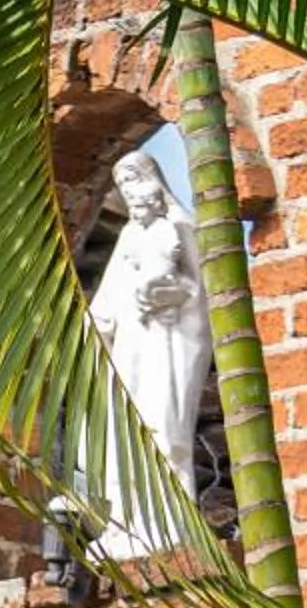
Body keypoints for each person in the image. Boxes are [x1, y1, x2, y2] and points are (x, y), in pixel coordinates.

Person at [87, 147, 213, 558]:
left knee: (165, 424)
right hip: (132, 344)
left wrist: (167, 294)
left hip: (170, 341)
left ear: (154, 180)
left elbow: (201, 292)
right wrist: (97, 322)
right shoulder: (128, 235)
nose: (130, 191)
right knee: (126, 429)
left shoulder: (180, 224)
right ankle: (126, 525)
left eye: (135, 180)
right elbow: (108, 297)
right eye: (122, 185)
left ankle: (171, 522)